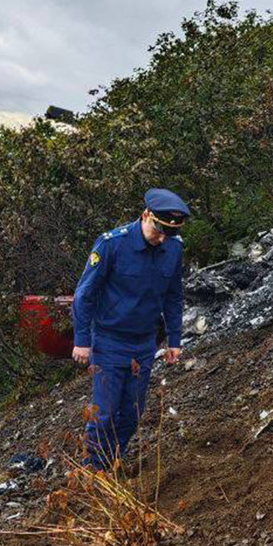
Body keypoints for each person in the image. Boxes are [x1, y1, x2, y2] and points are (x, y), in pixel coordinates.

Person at [71, 188, 190, 469]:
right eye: (158, 230)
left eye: (168, 234)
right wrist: (81, 339)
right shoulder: (112, 244)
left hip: (145, 342)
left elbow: (173, 296)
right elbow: (84, 294)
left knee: (133, 412)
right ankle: (94, 471)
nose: (161, 237)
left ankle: (113, 460)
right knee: (105, 412)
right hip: (110, 340)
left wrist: (175, 339)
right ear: (146, 215)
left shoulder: (173, 248)